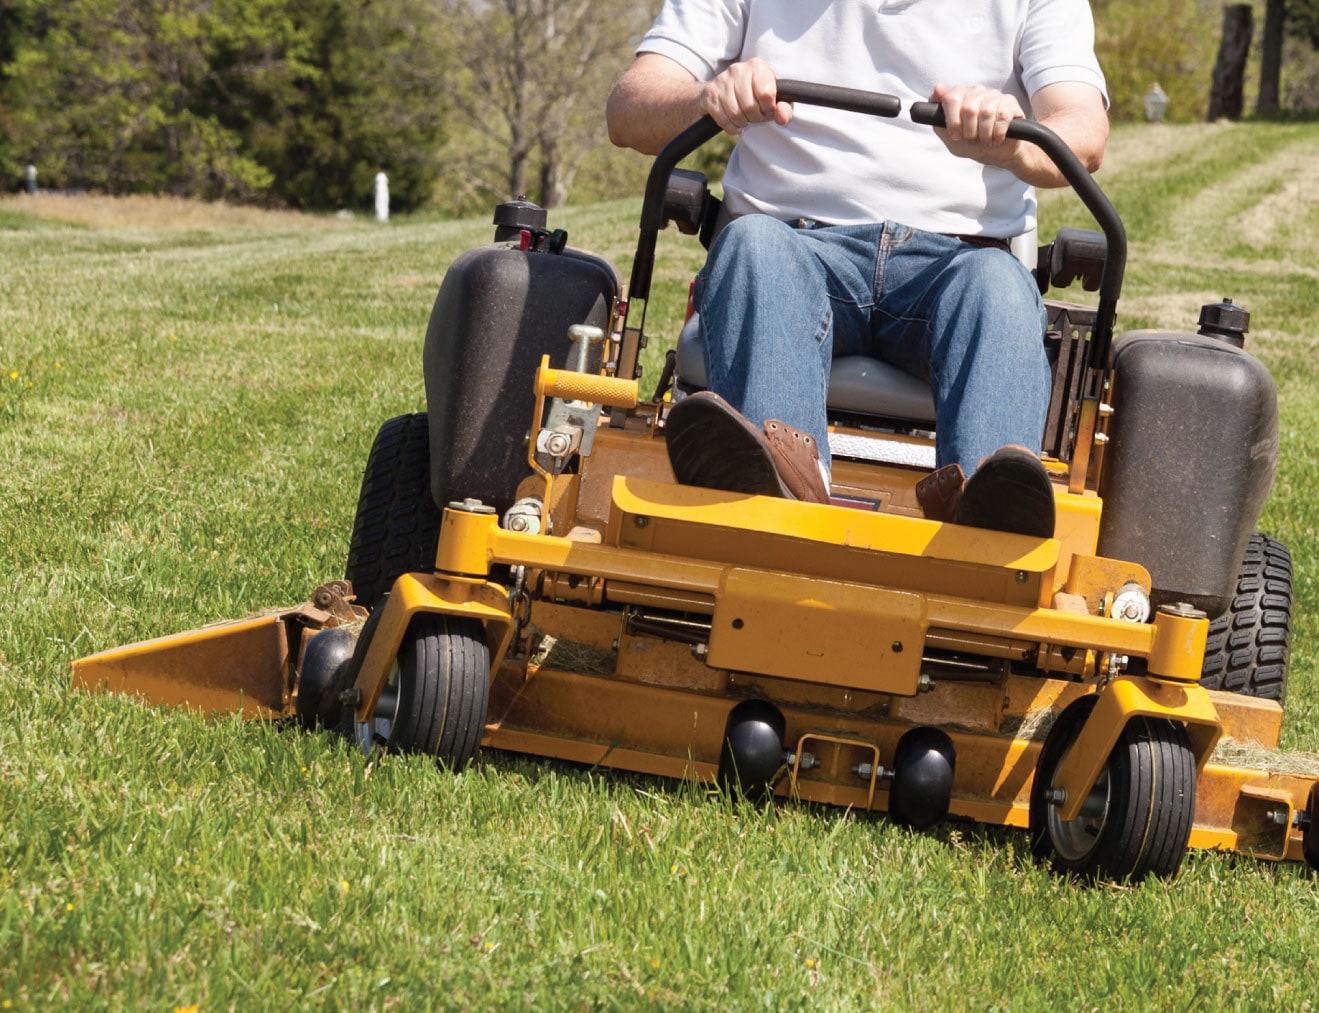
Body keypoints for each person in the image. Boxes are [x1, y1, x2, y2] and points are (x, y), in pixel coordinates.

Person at [605, 0, 1109, 536]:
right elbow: (630, 109)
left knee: (999, 288)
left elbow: (1083, 133)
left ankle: (987, 515)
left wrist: (1014, 140)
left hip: (960, 262)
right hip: (790, 247)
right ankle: (786, 483)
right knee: (751, 245)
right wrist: (708, 98)